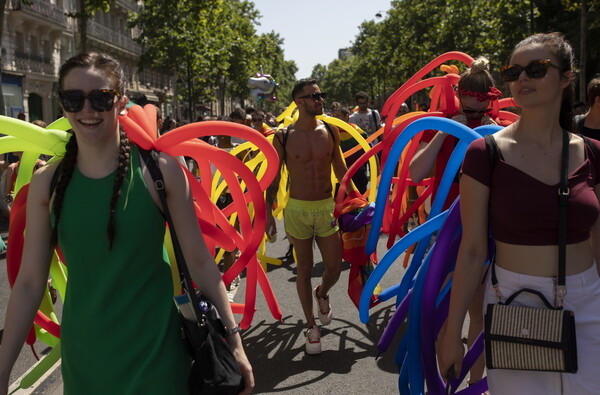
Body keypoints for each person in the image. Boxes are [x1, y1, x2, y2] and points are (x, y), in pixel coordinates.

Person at [0, 52, 254, 394]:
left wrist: (234, 339)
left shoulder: (159, 171)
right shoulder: (49, 182)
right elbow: (30, 283)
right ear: (63, 106)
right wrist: (2, 370)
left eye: (100, 98)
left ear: (120, 102)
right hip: (85, 363)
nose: (87, 109)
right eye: (74, 99)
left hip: (158, 359)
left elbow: (200, 263)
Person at [439, 33, 600, 394]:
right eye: (514, 70)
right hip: (514, 302)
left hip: (589, 301)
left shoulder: (593, 152)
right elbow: (473, 250)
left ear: (567, 78)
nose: (522, 78)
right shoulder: (485, 152)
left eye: (537, 68)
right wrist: (453, 333)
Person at [266, 78, 351, 355]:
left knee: (334, 267)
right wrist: (267, 212)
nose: (320, 100)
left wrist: (357, 200)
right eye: (314, 96)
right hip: (297, 210)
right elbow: (273, 176)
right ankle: (312, 325)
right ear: (299, 102)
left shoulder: (329, 130)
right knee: (303, 269)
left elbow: (341, 170)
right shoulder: (283, 136)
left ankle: (322, 293)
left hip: (326, 207)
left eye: (321, 95)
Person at [331, 105, 369, 194]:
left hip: (357, 174)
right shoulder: (331, 133)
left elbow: (367, 151)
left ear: (346, 116)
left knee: (360, 201)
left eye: (338, 116)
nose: (335, 119)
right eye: (333, 116)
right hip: (338, 176)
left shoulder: (357, 131)